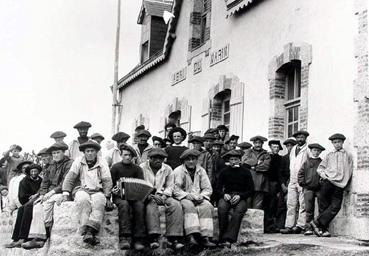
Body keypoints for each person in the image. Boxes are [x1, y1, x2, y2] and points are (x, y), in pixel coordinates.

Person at [21, 142, 73, 249]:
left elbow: (66, 182)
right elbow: (44, 182)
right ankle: (38, 238)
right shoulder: (51, 165)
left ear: (64, 152)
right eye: (53, 153)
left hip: (64, 192)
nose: (55, 155)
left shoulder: (69, 163)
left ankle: (46, 234)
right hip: (50, 192)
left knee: (48, 203)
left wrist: (51, 193)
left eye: (58, 152)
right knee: (37, 205)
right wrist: (42, 195)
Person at [62, 140, 113, 246]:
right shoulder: (78, 161)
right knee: (82, 200)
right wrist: (66, 193)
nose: (90, 153)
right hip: (82, 189)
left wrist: (107, 196)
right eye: (87, 151)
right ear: (84, 152)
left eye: (92, 151)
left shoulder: (102, 162)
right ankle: (85, 229)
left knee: (99, 202)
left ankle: (91, 231)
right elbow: (70, 177)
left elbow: (107, 180)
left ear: (96, 152)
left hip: (97, 190)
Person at [140, 148, 184, 250]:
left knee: (176, 204)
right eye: (155, 158)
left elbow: (170, 186)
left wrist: (164, 195)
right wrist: (149, 195)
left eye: (161, 158)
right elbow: (139, 185)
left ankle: (173, 238)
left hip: (163, 195)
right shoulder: (142, 167)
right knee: (151, 206)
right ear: (149, 158)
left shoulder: (168, 169)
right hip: (148, 196)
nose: (158, 160)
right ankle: (153, 238)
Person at [311, 133, 353, 238]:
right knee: (324, 205)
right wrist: (324, 175)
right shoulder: (329, 155)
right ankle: (323, 230)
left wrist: (346, 183)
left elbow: (350, 169)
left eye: (339, 142)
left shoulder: (347, 155)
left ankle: (316, 222)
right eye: (335, 142)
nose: (337, 144)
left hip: (340, 184)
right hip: (328, 182)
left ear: (342, 142)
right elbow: (320, 168)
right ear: (332, 144)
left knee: (335, 207)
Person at [173, 149, 215, 248]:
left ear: (197, 160)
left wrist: (203, 196)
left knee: (207, 206)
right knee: (189, 206)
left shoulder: (201, 170)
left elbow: (207, 188)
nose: (191, 161)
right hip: (184, 198)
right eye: (188, 159)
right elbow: (175, 189)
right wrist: (186, 195)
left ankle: (205, 237)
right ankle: (191, 236)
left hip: (198, 197)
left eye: (193, 159)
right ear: (184, 161)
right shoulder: (178, 171)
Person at [110, 144, 146, 250]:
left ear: (133, 157)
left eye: (130, 155)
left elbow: (141, 185)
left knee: (139, 206)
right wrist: (113, 190)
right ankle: (124, 238)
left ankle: (139, 239)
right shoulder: (115, 167)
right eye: (125, 155)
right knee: (124, 205)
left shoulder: (137, 169)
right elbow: (110, 185)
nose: (128, 157)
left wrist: (136, 192)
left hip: (134, 196)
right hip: (119, 196)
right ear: (121, 155)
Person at [217, 150, 254, 248]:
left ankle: (229, 239)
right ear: (229, 160)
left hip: (240, 196)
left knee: (239, 211)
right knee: (222, 208)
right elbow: (217, 188)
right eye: (231, 159)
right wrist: (224, 194)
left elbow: (251, 189)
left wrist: (241, 196)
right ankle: (222, 238)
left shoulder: (246, 172)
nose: (233, 161)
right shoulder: (224, 171)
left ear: (240, 160)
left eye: (236, 159)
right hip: (227, 196)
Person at [5, 164, 42, 248]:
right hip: (27, 200)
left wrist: (37, 196)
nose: (33, 173)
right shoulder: (24, 181)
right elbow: (22, 196)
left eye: (35, 171)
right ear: (29, 172)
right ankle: (15, 239)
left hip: (39, 200)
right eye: (31, 171)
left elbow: (43, 189)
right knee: (22, 209)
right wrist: (31, 197)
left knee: (27, 208)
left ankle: (23, 237)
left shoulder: (41, 180)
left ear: (38, 172)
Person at [281, 130, 309, 234]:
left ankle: (300, 225)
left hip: (302, 180)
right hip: (292, 179)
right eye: (298, 138)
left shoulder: (308, 150)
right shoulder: (293, 149)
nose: (300, 139)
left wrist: (305, 179)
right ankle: (289, 225)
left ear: (305, 138)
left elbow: (309, 165)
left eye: (302, 137)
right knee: (291, 203)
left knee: (302, 203)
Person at [298, 143, 325, 236]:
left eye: (318, 151)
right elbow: (300, 174)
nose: (316, 152)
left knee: (322, 208)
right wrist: (303, 184)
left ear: (320, 152)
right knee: (309, 209)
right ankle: (308, 228)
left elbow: (325, 174)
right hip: (308, 188)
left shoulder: (322, 162)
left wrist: (321, 184)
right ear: (311, 151)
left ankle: (321, 227)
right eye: (314, 150)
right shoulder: (306, 162)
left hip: (319, 189)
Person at [242, 136, 271, 209]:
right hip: (248, 182)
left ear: (262, 144)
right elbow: (244, 162)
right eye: (256, 143)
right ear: (253, 144)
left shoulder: (266, 154)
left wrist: (253, 167)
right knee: (247, 206)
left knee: (257, 207)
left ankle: (255, 220)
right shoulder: (248, 152)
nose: (258, 145)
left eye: (259, 143)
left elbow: (266, 166)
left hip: (261, 183)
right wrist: (257, 162)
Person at [275, 138, 296, 230]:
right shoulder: (284, 158)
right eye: (287, 146)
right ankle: (280, 225)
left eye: (291, 146)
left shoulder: (297, 158)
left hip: (294, 182)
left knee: (293, 204)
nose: (289, 148)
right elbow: (280, 173)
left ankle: (293, 225)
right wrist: (283, 185)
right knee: (281, 204)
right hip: (285, 183)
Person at [264, 140, 283, 233]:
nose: (276, 149)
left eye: (277, 147)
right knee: (265, 204)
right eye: (274, 147)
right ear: (270, 148)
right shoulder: (266, 157)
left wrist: (279, 185)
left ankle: (270, 226)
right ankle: (265, 225)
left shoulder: (280, 159)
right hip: (265, 182)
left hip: (275, 183)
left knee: (273, 205)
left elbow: (280, 173)